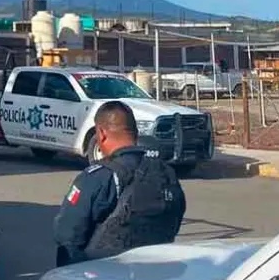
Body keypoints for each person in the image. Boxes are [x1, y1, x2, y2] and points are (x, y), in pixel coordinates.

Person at [53, 101, 186, 267]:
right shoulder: (165, 173)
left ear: (101, 133)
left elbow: (67, 235)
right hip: (155, 277)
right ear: (135, 133)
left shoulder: (98, 177)